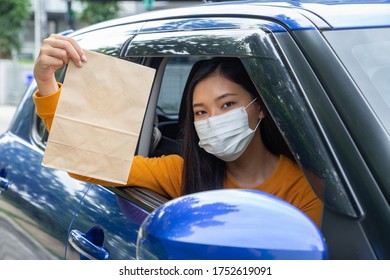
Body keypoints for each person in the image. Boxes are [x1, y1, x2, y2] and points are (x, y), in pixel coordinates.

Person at [33, 34, 323, 226]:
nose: (213, 119)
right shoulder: (182, 173)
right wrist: (47, 81)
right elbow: (87, 159)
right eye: (200, 112)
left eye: (227, 105)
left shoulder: (305, 189)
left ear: (260, 107)